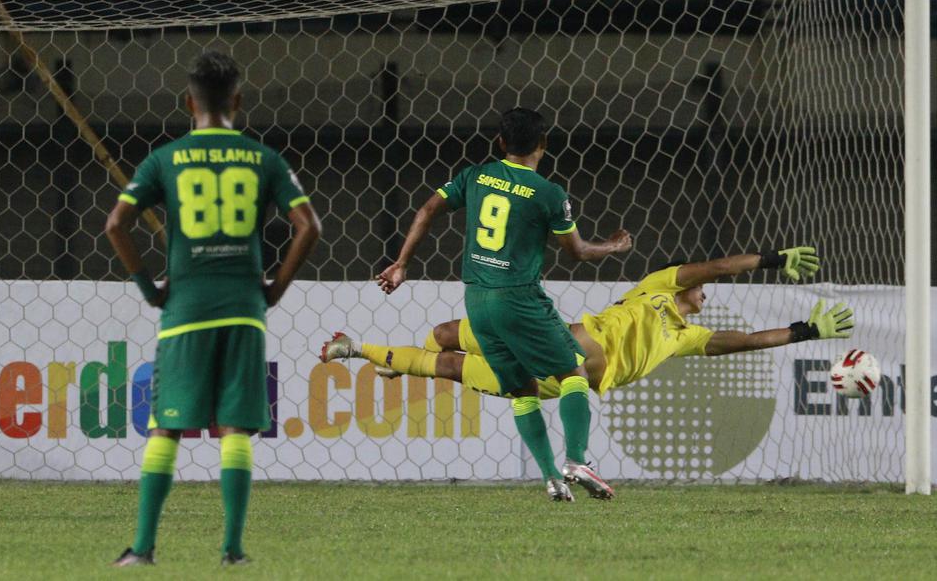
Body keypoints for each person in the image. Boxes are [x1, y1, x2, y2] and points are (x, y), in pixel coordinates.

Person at [105, 51, 321, 567]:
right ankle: (232, 551)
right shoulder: (264, 158)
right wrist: (274, 288)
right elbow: (309, 226)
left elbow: (115, 225)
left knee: (166, 427)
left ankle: (143, 549)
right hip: (244, 309)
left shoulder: (165, 159)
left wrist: (149, 288)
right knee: (235, 429)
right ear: (237, 100)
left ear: (189, 102)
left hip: (186, 310)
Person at [376, 108, 631, 501]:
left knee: (522, 390)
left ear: (500, 142)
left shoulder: (474, 176)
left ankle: (551, 479)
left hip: (477, 300)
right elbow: (577, 252)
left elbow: (426, 210)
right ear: (543, 144)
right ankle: (576, 461)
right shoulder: (549, 193)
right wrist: (614, 246)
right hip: (519, 298)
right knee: (574, 370)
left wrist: (401, 263)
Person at [324, 248, 853, 424]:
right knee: (442, 334)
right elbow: (715, 266)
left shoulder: (686, 337)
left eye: (704, 290)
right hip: (543, 336)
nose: (705, 292)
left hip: (556, 379)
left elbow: (747, 340)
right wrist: (771, 260)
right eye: (700, 288)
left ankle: (359, 350)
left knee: (449, 366)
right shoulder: (656, 287)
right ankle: (393, 363)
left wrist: (805, 330)